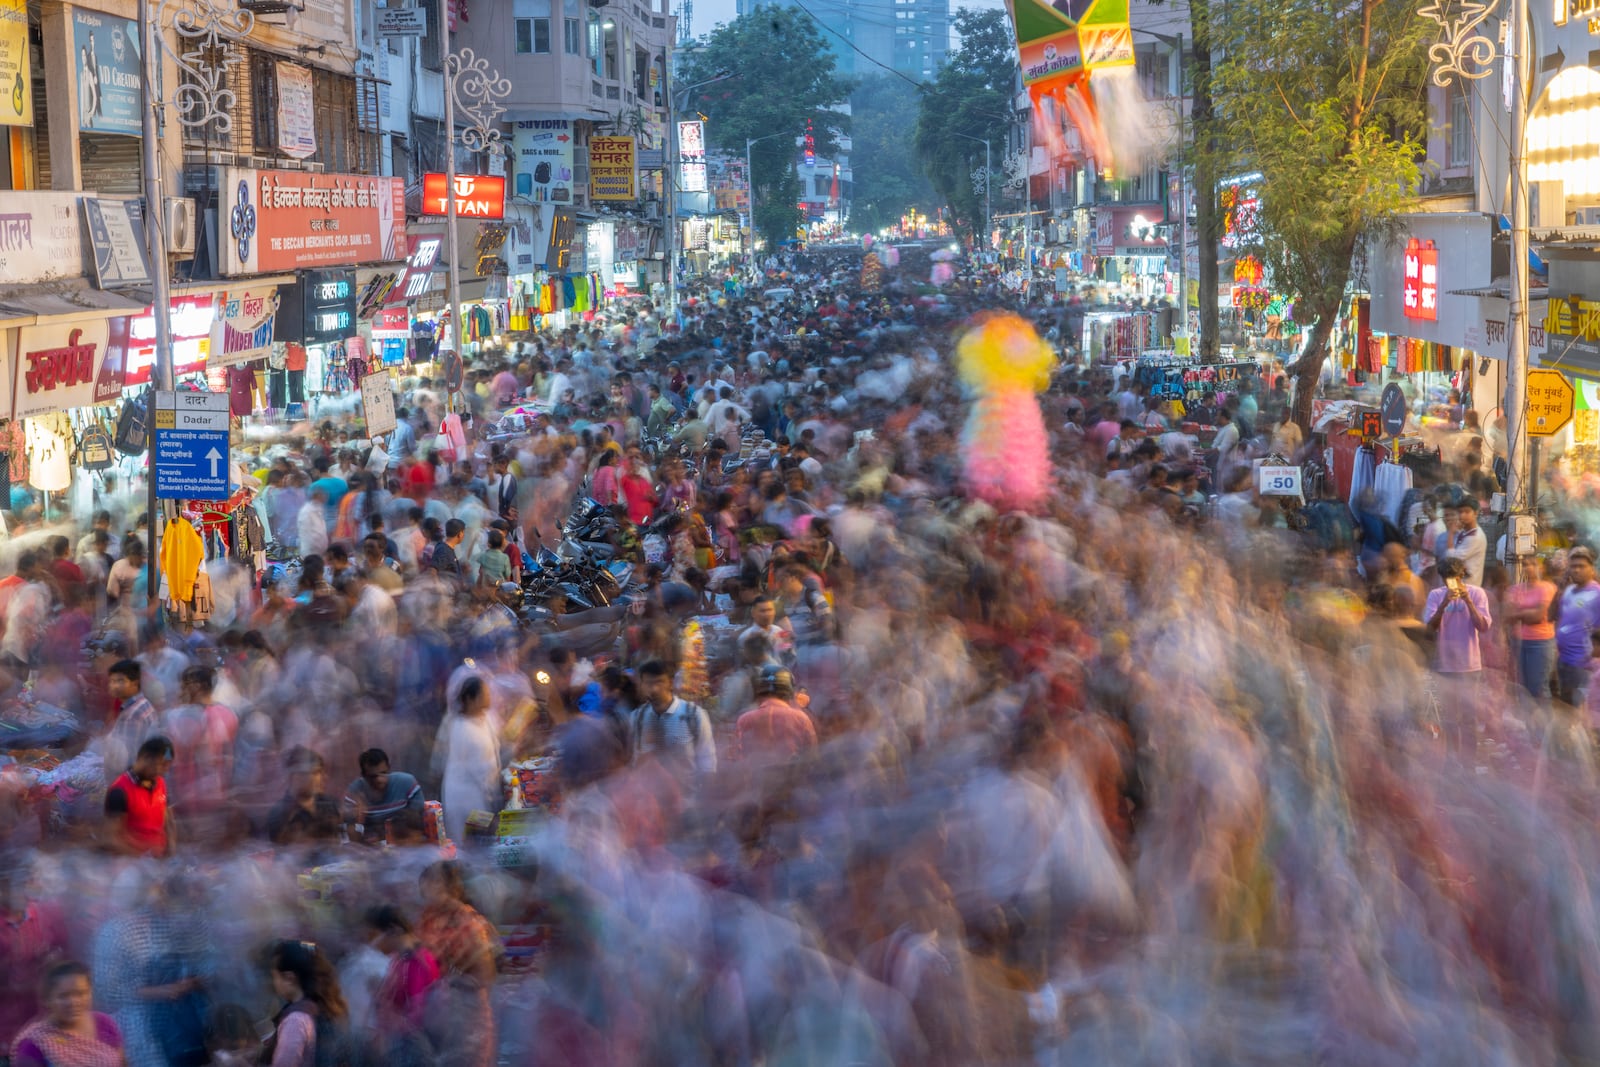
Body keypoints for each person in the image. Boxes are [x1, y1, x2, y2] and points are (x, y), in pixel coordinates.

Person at [416, 862, 498, 1067]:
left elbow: (485, 973)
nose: (428, 887)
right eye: (427, 882)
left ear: (452, 887)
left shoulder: (469, 922)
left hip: (464, 1012)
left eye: (436, 882)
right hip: (433, 1011)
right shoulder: (428, 917)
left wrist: (451, 980)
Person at [1424, 558, 1493, 749]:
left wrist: (1468, 601)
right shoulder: (1436, 595)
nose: (1450, 582)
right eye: (1447, 578)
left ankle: (1470, 760)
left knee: (1469, 716)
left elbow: (1483, 626)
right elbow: (1429, 629)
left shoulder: (1477, 593)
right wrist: (1443, 604)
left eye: (1454, 577)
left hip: (1470, 665)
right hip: (1444, 665)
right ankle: (1453, 759)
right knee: (1449, 717)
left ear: (1462, 575)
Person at [364, 905, 441, 1066]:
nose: (374, 943)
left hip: (415, 1051)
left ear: (394, 930)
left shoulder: (418, 963)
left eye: (375, 935)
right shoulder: (401, 959)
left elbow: (417, 1017)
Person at [11, 961, 125, 1067]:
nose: (73, 1002)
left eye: (80, 993)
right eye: (63, 996)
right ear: (47, 999)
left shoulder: (104, 1023)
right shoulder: (35, 1042)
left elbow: (122, 1063)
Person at [264, 939, 350, 1067]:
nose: (274, 982)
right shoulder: (320, 1006)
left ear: (289, 978)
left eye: (275, 976)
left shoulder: (295, 1020)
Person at [438, 677, 501, 843]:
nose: (489, 698)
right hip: (465, 798)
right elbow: (478, 770)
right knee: (470, 845)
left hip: (482, 793)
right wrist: (493, 794)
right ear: (469, 699)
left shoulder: (485, 719)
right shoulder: (462, 729)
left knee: (482, 841)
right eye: (484, 694)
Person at [628, 659, 717, 776]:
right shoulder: (637, 717)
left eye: (659, 682)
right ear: (642, 685)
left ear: (670, 683)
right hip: (650, 792)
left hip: (688, 793)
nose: (654, 689)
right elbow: (635, 761)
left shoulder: (694, 715)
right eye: (648, 683)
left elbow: (708, 765)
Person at [104, 735, 176, 857]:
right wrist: (143, 860)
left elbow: (168, 821)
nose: (164, 771)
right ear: (145, 758)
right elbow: (112, 838)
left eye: (167, 766)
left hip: (158, 862)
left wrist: (171, 849)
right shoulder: (119, 791)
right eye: (162, 765)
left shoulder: (161, 784)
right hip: (131, 864)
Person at [735, 664, 817, 766]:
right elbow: (812, 757)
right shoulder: (801, 718)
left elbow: (740, 758)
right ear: (789, 690)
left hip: (757, 779)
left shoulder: (744, 719)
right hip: (793, 779)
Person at [343, 748, 425, 845]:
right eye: (373, 776)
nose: (380, 780)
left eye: (383, 773)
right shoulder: (355, 793)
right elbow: (353, 839)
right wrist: (359, 819)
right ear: (364, 776)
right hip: (371, 849)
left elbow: (416, 824)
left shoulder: (407, 784)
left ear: (389, 769)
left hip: (404, 844)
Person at [267, 747, 343, 846]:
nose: (324, 777)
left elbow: (345, 840)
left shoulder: (332, 804)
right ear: (295, 776)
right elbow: (281, 852)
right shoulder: (279, 814)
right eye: (316, 773)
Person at [1508, 555, 1559, 700]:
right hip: (1518, 641)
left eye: (1532, 564)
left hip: (1541, 642)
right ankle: (1528, 721)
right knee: (1522, 688)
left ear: (1540, 568)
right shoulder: (1514, 589)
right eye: (1524, 564)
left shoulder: (1548, 588)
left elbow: (1538, 617)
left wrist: (1519, 613)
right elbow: (1507, 615)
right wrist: (1527, 613)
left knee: (1538, 688)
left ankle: (1544, 722)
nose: (1528, 568)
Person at [1556, 546, 1600, 706]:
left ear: (1591, 569)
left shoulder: (1596, 594)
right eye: (1573, 566)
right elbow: (1559, 618)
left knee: (1583, 715)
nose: (1576, 570)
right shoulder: (1568, 591)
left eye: (1581, 566)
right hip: (1564, 661)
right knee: (1567, 712)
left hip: (1584, 666)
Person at [1446, 498, 1488, 586]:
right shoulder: (1465, 531)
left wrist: (1450, 533)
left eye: (1467, 512)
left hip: (1468, 585)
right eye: (1460, 512)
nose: (1462, 515)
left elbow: (1451, 559)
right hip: (1459, 583)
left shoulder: (1475, 537)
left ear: (1476, 513)